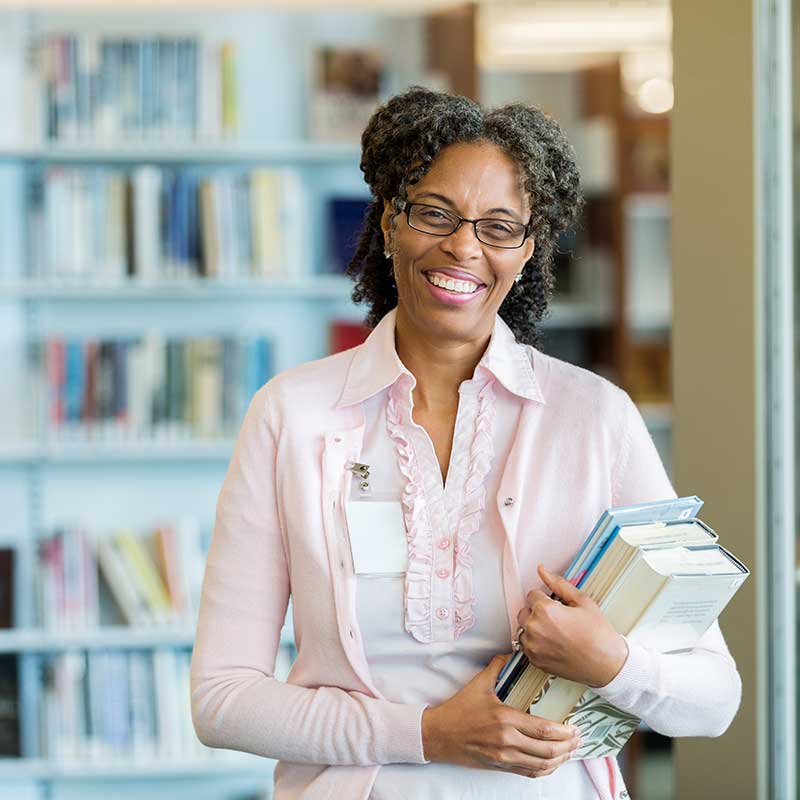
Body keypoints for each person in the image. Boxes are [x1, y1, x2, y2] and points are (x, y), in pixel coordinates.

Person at [190, 87, 742, 800]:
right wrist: (428, 732)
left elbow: (714, 697)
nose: (463, 246)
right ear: (390, 222)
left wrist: (611, 661)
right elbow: (221, 699)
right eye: (435, 213)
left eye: (498, 226)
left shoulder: (594, 417)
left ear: (527, 251)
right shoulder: (291, 414)